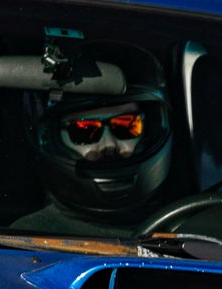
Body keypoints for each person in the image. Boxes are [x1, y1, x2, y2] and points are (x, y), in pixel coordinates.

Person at [9, 74, 176, 236]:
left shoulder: (183, 229)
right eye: (85, 130)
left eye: (126, 125)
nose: (109, 144)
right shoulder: (29, 239)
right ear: (54, 140)